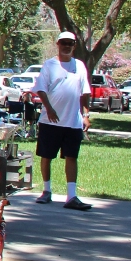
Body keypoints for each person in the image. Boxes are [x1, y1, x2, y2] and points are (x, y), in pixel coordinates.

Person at [33, 32, 92, 210]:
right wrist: (49, 109)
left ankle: (71, 196)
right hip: (50, 121)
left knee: (72, 157)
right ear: (58, 44)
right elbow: (41, 89)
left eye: (70, 43)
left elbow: (85, 92)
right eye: (64, 43)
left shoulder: (79, 66)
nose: (67, 46)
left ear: (74, 46)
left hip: (73, 121)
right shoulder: (50, 65)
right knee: (46, 156)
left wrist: (86, 115)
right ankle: (46, 191)